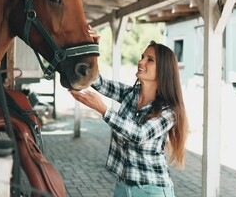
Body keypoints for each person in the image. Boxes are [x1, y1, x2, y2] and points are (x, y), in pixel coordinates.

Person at [70, 27, 188, 197]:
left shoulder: (169, 111)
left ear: (164, 69)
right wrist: (92, 48)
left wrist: (103, 109)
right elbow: (97, 81)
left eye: (150, 60)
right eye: (142, 58)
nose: (141, 62)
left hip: (152, 190)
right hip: (123, 187)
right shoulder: (130, 94)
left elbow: (139, 134)